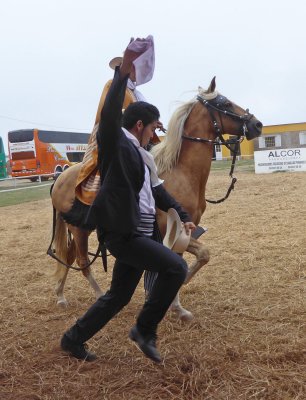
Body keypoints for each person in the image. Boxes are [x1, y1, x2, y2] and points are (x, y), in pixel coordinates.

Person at [60, 37, 196, 364]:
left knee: (118, 296)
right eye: (151, 128)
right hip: (123, 233)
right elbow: (109, 113)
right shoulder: (115, 142)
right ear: (138, 125)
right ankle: (144, 330)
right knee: (176, 267)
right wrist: (123, 72)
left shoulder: (142, 155)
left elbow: (157, 190)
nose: (154, 134)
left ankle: (72, 339)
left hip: (142, 231)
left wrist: (181, 212)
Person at [75, 43, 161, 206]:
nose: (136, 71)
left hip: (136, 132)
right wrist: (130, 116)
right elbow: (108, 109)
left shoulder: (136, 92)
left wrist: (153, 122)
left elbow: (142, 113)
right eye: (133, 67)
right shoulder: (112, 85)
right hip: (116, 131)